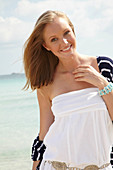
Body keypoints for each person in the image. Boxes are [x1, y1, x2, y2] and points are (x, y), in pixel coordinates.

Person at [23, 10, 113, 170]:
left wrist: (102, 83)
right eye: (54, 39)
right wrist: (35, 165)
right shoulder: (46, 82)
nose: (64, 42)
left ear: (73, 30)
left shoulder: (103, 67)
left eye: (66, 33)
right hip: (55, 165)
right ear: (46, 46)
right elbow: (45, 133)